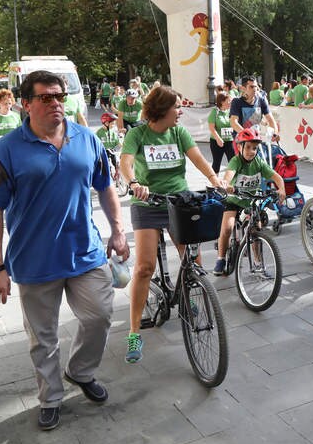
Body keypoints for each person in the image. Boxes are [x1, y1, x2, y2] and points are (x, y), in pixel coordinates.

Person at [0, 70, 130, 430]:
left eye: (60, 96)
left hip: (86, 251)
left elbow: (106, 186)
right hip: (34, 260)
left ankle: (80, 371)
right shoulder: (5, 151)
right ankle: (50, 398)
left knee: (99, 316)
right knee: (43, 337)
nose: (56, 103)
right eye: (46, 97)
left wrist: (118, 231)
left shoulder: (86, 139)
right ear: (26, 103)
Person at [120, 85, 224, 364]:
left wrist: (216, 180)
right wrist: (134, 182)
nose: (180, 112)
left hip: (178, 201)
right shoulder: (138, 134)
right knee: (144, 268)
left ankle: (189, 289)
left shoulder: (179, 133)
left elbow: (199, 159)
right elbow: (126, 162)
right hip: (147, 203)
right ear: (162, 109)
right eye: (177, 107)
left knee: (193, 259)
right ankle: (133, 333)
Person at [213, 128, 286, 275]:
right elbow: (228, 176)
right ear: (239, 147)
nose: (251, 151)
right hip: (234, 200)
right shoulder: (236, 161)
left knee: (256, 229)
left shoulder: (258, 163)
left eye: (255, 148)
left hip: (250, 201)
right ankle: (220, 258)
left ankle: (258, 262)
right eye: (248, 147)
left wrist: (282, 189)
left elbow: (277, 177)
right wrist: (227, 185)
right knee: (227, 227)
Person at [207, 92, 235, 173]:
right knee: (217, 162)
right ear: (222, 102)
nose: (230, 102)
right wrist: (218, 138)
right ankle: (214, 182)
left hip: (229, 140)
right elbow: (211, 127)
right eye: (228, 100)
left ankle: (233, 181)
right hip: (216, 141)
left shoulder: (230, 111)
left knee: (233, 161)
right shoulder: (214, 112)